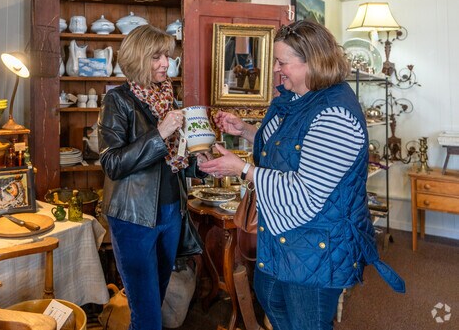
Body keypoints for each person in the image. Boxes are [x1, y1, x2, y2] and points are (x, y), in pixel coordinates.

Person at [198, 20, 405, 330]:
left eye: (283, 63)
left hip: (316, 244)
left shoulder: (335, 114)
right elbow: (290, 147)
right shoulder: (302, 96)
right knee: (272, 300)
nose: (278, 70)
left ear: (313, 61)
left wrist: (241, 169)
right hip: (288, 237)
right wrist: (245, 130)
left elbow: (304, 190)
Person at [98, 24, 207, 330]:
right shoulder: (118, 100)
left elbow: (173, 161)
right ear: (137, 58)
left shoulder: (166, 97)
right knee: (147, 316)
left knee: (154, 303)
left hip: (172, 212)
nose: (165, 63)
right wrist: (160, 133)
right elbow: (112, 163)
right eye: (156, 57)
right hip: (134, 218)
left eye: (167, 56)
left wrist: (201, 162)